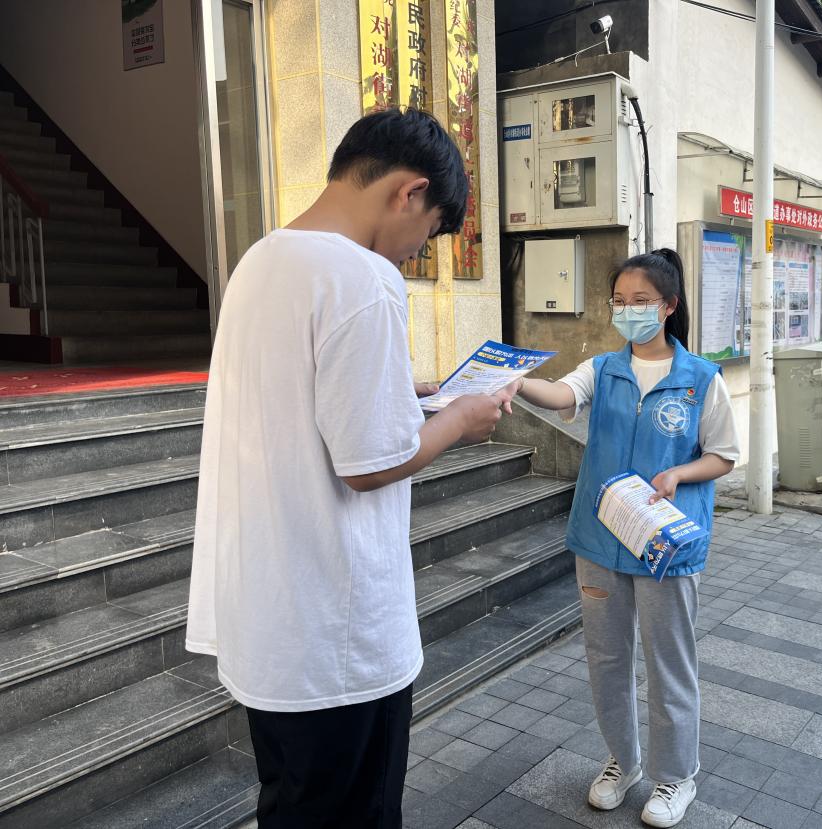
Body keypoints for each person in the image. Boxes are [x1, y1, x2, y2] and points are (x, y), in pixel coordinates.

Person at [185, 108, 513, 828]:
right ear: (409, 192)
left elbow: (300, 400)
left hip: (272, 625)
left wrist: (401, 391)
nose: (416, 252)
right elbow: (369, 465)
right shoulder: (363, 277)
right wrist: (461, 419)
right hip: (338, 638)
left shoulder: (260, 260)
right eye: (429, 231)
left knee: (289, 806)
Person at [513, 249, 739, 828]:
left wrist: (680, 474)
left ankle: (676, 775)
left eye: (641, 301)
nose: (628, 311)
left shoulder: (701, 379)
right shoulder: (602, 369)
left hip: (666, 546)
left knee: (669, 662)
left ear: (668, 306)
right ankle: (624, 761)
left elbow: (723, 456)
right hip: (601, 541)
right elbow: (560, 395)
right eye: (619, 301)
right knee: (607, 658)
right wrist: (516, 381)